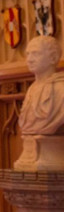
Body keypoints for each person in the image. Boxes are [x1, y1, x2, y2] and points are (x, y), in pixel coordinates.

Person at [15, 35, 64, 169]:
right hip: (30, 159)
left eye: (35, 54)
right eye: (28, 54)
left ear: (53, 57)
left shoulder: (61, 90)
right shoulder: (31, 90)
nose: (29, 59)